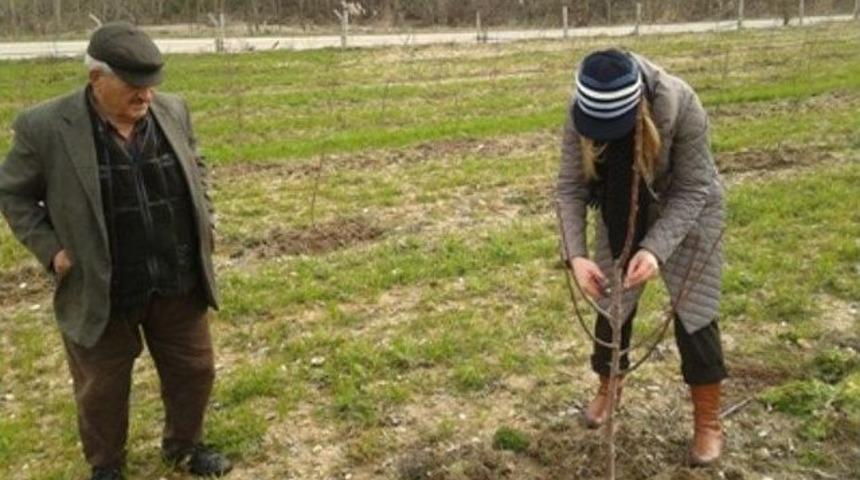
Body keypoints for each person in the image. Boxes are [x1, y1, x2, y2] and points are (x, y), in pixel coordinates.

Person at [0, 23, 231, 479]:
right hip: (101, 285)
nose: (146, 96)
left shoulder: (173, 110)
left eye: (151, 85)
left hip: (175, 277)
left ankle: (185, 446)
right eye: (133, 85)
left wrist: (204, 213)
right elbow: (13, 194)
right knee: (101, 388)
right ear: (96, 79)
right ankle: (106, 467)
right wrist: (51, 251)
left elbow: (195, 162)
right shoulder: (45, 126)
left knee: (194, 371)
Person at [557, 49, 728, 466]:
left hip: (688, 208)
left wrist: (654, 249)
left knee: (695, 312)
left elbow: (694, 187)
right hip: (620, 203)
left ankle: (708, 422)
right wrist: (575, 256)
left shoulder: (681, 104)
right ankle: (607, 389)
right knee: (612, 301)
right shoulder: (580, 108)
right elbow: (569, 187)